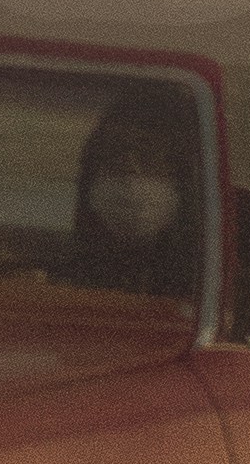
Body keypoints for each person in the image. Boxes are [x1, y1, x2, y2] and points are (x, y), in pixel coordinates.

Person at [64, 91, 203, 307]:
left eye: (147, 157)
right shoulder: (63, 281)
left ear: (181, 178)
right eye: (113, 156)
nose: (129, 174)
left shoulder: (223, 292)